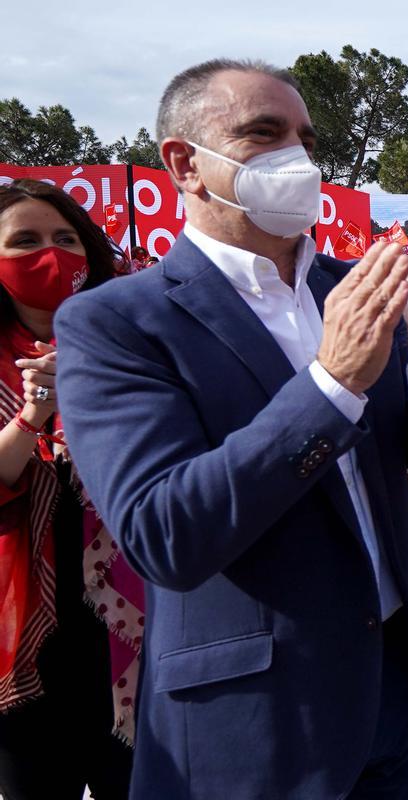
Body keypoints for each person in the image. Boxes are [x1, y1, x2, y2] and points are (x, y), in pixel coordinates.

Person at [52, 59, 408, 799]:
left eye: (303, 138)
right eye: (263, 134)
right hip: (263, 722)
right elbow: (166, 533)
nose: (296, 159)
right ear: (185, 164)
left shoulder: (354, 286)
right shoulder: (116, 323)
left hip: (407, 689)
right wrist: (329, 386)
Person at [0, 180, 141, 800]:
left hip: (129, 629)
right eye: (24, 242)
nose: (50, 255)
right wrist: (34, 414)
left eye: (64, 238)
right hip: (24, 642)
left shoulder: (134, 342)